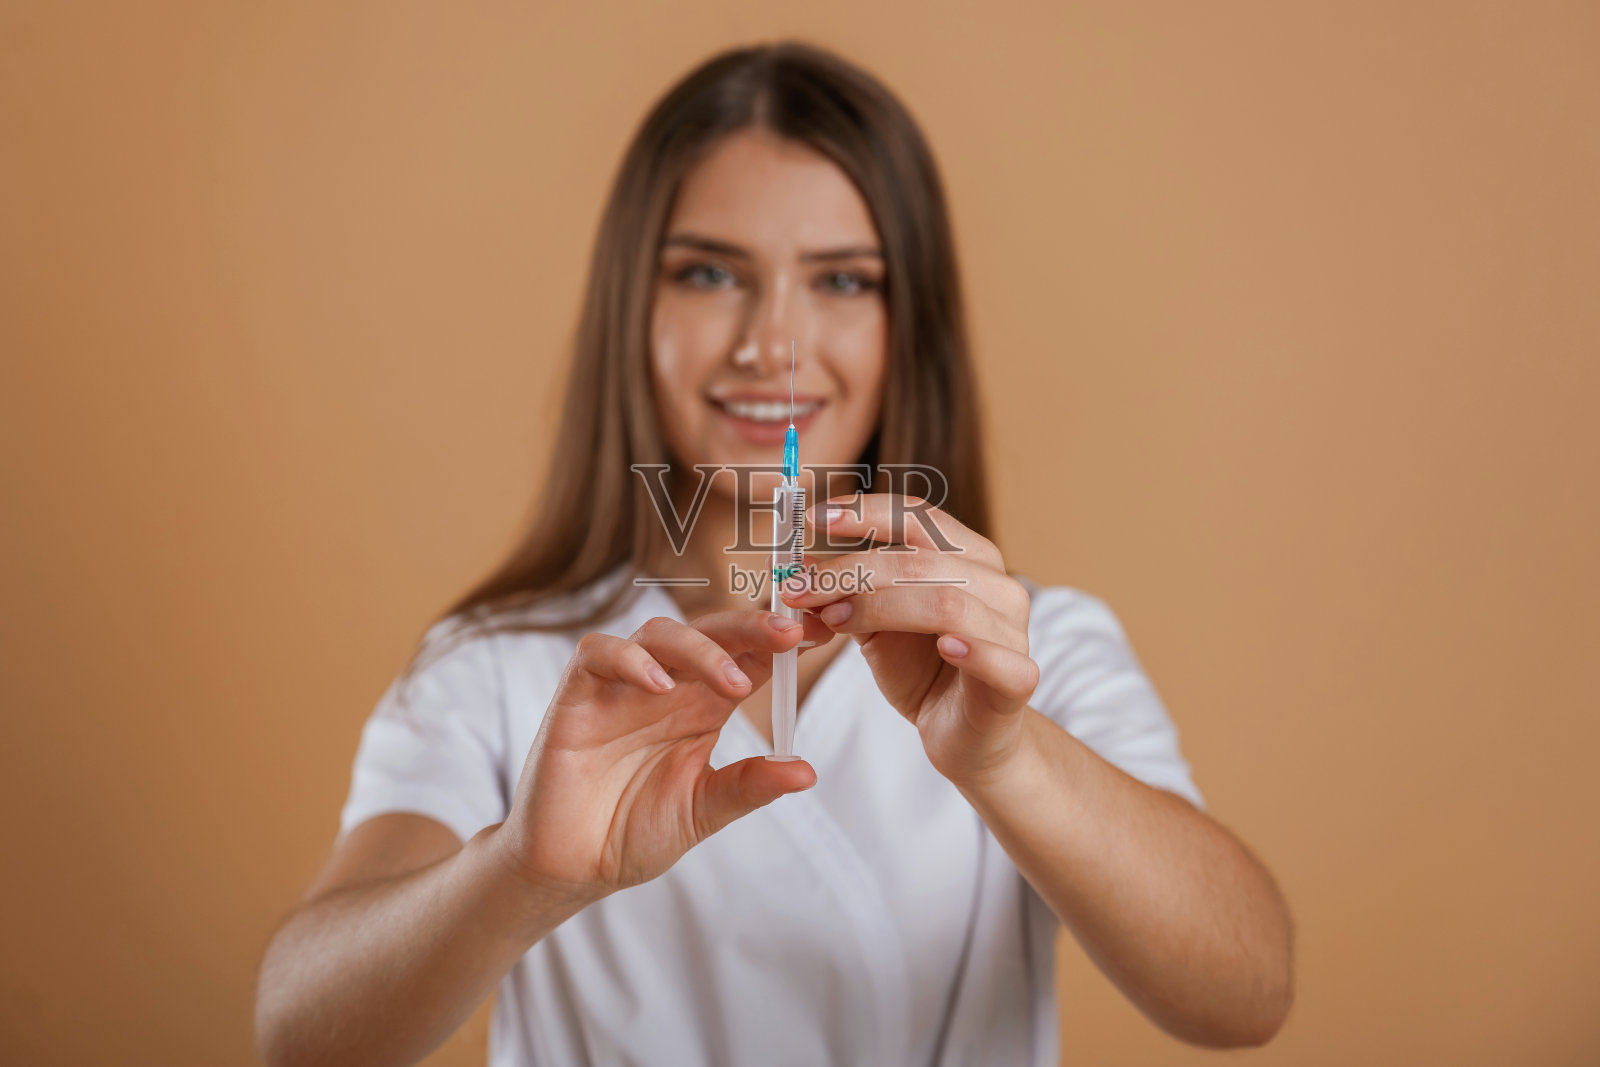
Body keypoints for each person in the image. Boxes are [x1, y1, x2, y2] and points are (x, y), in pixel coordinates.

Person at [255, 40, 1293, 1067]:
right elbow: (299, 1030)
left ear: (906, 327)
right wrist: (520, 871)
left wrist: (1008, 757)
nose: (772, 341)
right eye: (709, 273)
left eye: (842, 281)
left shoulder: (1032, 650)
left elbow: (1245, 990)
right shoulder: (499, 664)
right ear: (634, 308)